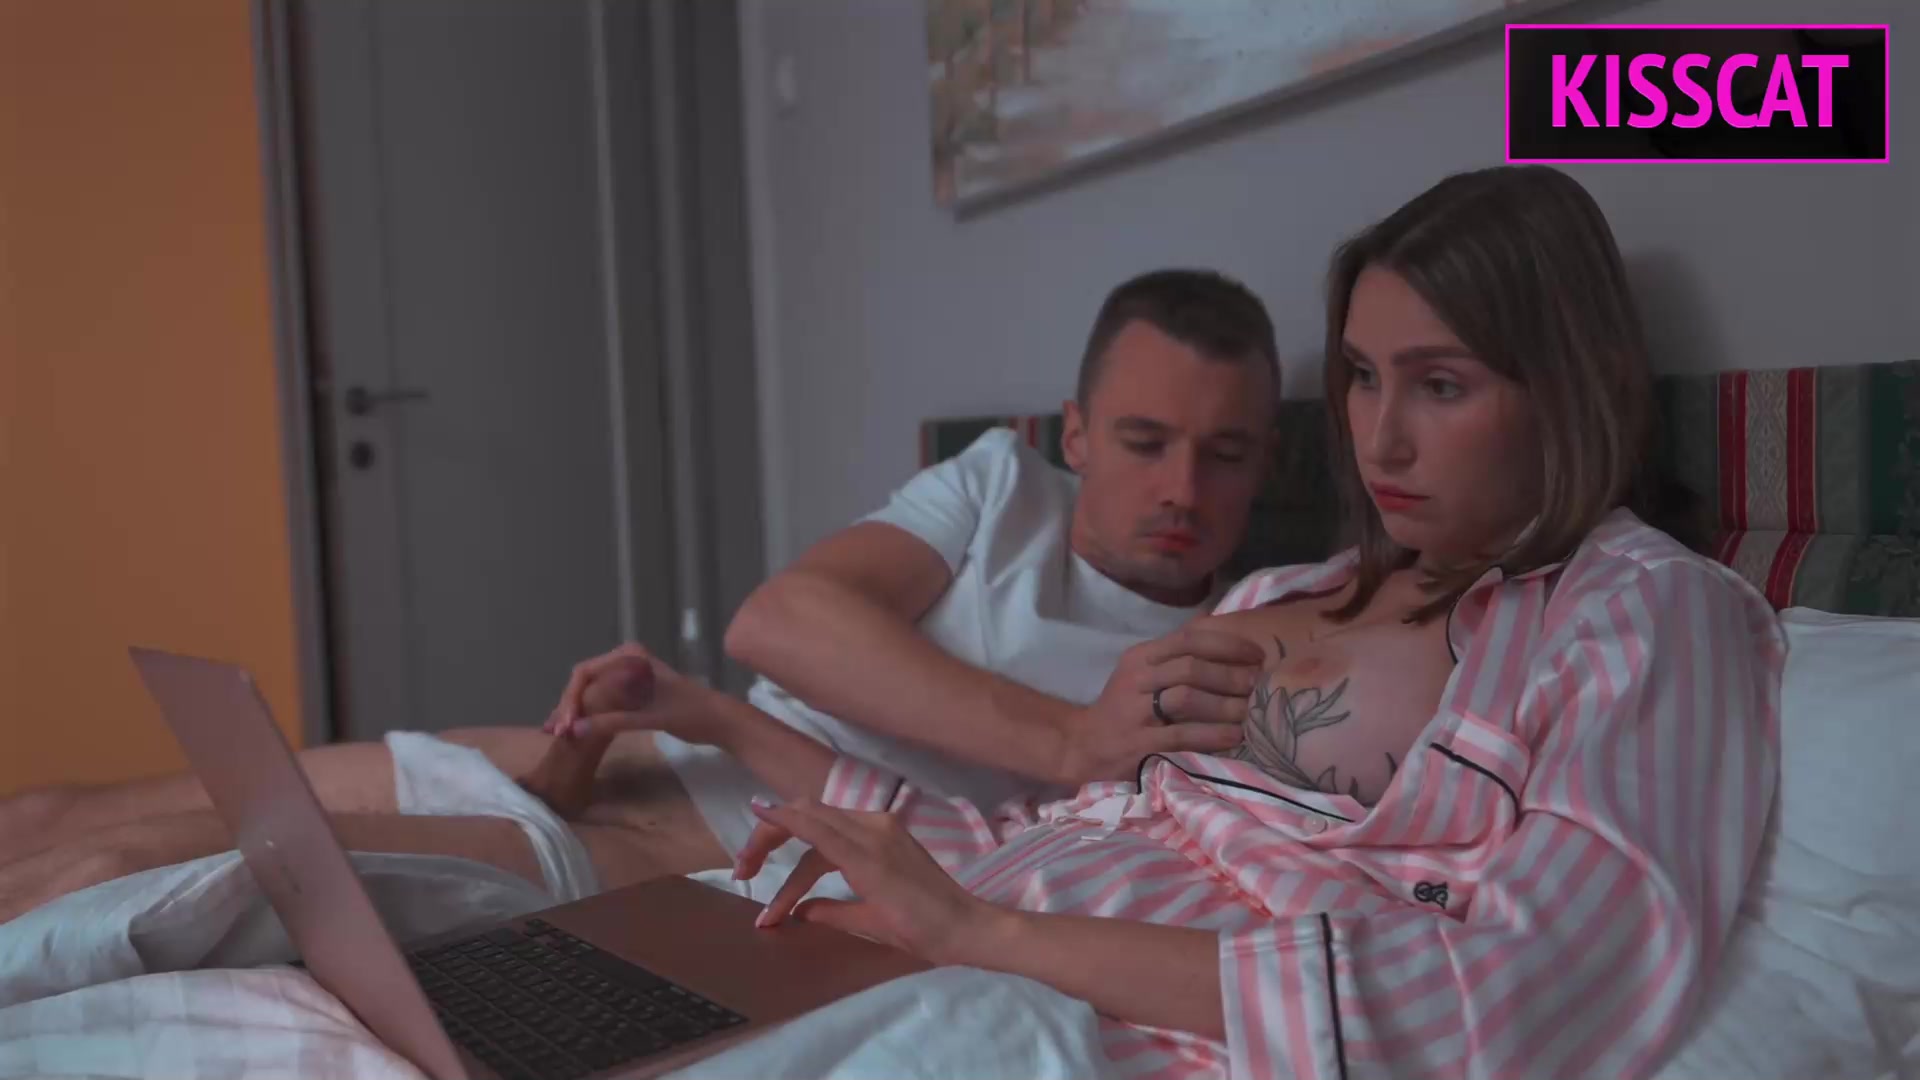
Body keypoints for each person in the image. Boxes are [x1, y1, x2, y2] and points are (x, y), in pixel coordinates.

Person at [546, 165, 1787, 1080]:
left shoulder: (1642, 610)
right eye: (1362, 376)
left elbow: (1529, 994)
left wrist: (979, 931)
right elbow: (1058, 830)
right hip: (966, 944)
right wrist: (846, 819)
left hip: (1080, 1026)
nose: (1380, 437)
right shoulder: (1279, 591)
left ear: (1572, 386)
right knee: (525, 1003)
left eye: (1441, 385)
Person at [0, 268, 1283, 922]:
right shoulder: (1002, 483)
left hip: (746, 844)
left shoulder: (1228, 652)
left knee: (125, 865)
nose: (1182, 488)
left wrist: (1072, 751)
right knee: (61, 811)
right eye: (1144, 441)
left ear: (1269, 464)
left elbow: (998, 857)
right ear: (1073, 432)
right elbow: (782, 622)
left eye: (1226, 454)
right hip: (661, 753)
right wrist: (1064, 737)